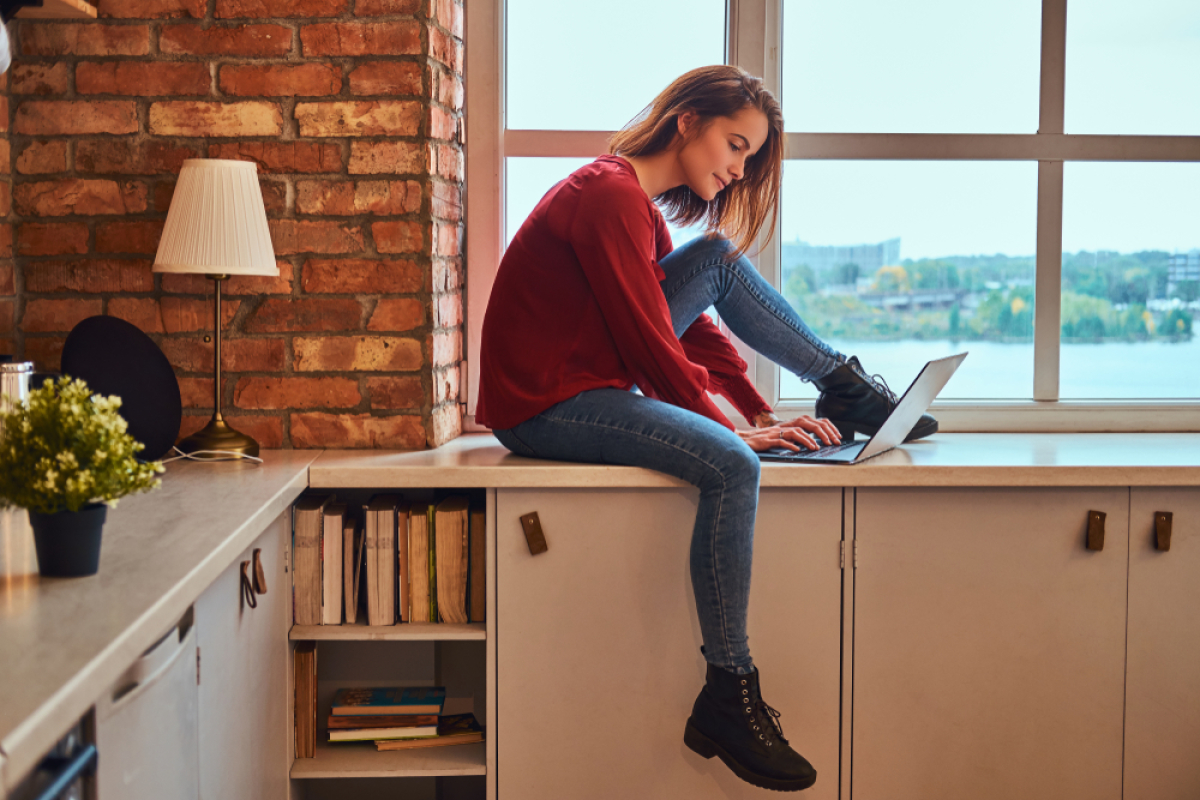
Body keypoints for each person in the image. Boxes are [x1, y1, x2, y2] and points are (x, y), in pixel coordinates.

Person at [476, 65, 936, 792]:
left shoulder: (638, 206)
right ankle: (729, 688)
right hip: (545, 406)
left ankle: (844, 389)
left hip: (586, 387)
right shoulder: (605, 196)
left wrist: (752, 407)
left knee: (716, 256)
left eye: (749, 156)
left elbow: (685, 328)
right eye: (734, 144)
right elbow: (646, 341)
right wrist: (733, 435)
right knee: (733, 468)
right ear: (687, 120)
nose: (737, 167)